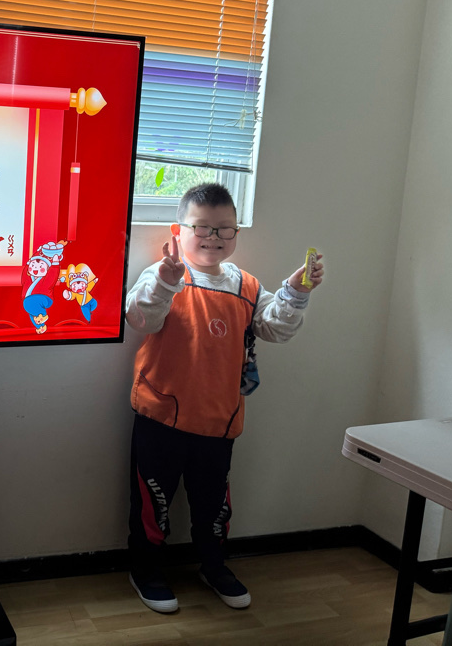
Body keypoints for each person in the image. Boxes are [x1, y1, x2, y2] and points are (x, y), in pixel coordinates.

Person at [124, 182, 324, 614]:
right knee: (153, 504)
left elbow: (275, 328)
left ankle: (213, 564)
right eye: (202, 227)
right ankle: (146, 569)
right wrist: (166, 282)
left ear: (236, 233)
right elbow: (140, 317)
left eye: (224, 229)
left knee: (213, 506)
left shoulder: (246, 285)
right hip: (161, 418)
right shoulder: (165, 274)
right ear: (179, 231)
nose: (213, 237)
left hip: (220, 421)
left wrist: (295, 292)